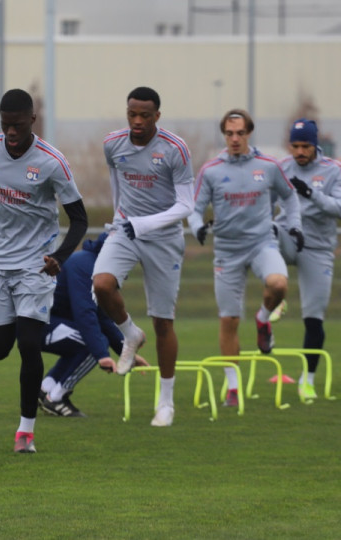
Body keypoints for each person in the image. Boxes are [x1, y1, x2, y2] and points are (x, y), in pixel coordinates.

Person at [0, 89, 88, 453]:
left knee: (29, 344)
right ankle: (26, 317)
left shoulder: (52, 162)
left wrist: (59, 256)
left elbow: (79, 219)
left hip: (36, 265)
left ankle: (25, 432)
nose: (11, 133)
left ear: (32, 120)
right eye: (5, 125)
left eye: (17, 125)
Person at [92, 86, 195, 428]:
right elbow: (117, 186)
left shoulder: (175, 149)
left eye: (145, 116)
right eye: (132, 114)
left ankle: (166, 402)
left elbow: (186, 205)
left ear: (157, 116)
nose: (137, 121)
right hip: (126, 229)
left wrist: (145, 223)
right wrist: (120, 221)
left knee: (163, 322)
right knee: (101, 285)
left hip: (163, 237)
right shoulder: (113, 144)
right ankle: (130, 334)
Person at [188, 109, 303, 407]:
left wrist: (294, 226)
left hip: (262, 243)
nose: (235, 138)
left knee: (279, 284)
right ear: (224, 135)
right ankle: (233, 389)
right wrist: (197, 226)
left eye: (240, 133)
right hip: (227, 250)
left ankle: (263, 320)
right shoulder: (211, 170)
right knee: (229, 319)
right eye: (229, 134)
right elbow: (194, 208)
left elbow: (290, 197)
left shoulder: (268, 166)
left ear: (249, 133)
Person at [39, 233, 148, 417]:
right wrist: (101, 354)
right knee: (93, 343)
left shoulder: (95, 265)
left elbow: (102, 318)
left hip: (48, 322)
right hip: (39, 325)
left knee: (88, 342)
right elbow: (85, 314)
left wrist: (126, 352)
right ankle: (56, 398)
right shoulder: (85, 265)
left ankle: (45, 389)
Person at [273, 119, 341, 399]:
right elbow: (265, 202)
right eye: (295, 146)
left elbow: (339, 208)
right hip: (289, 235)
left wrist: (311, 193)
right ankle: (277, 293)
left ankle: (307, 380)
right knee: (264, 232)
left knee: (314, 320)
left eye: (306, 146)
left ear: (315, 145)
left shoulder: (333, 170)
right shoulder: (281, 168)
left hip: (318, 248)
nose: (300, 152)